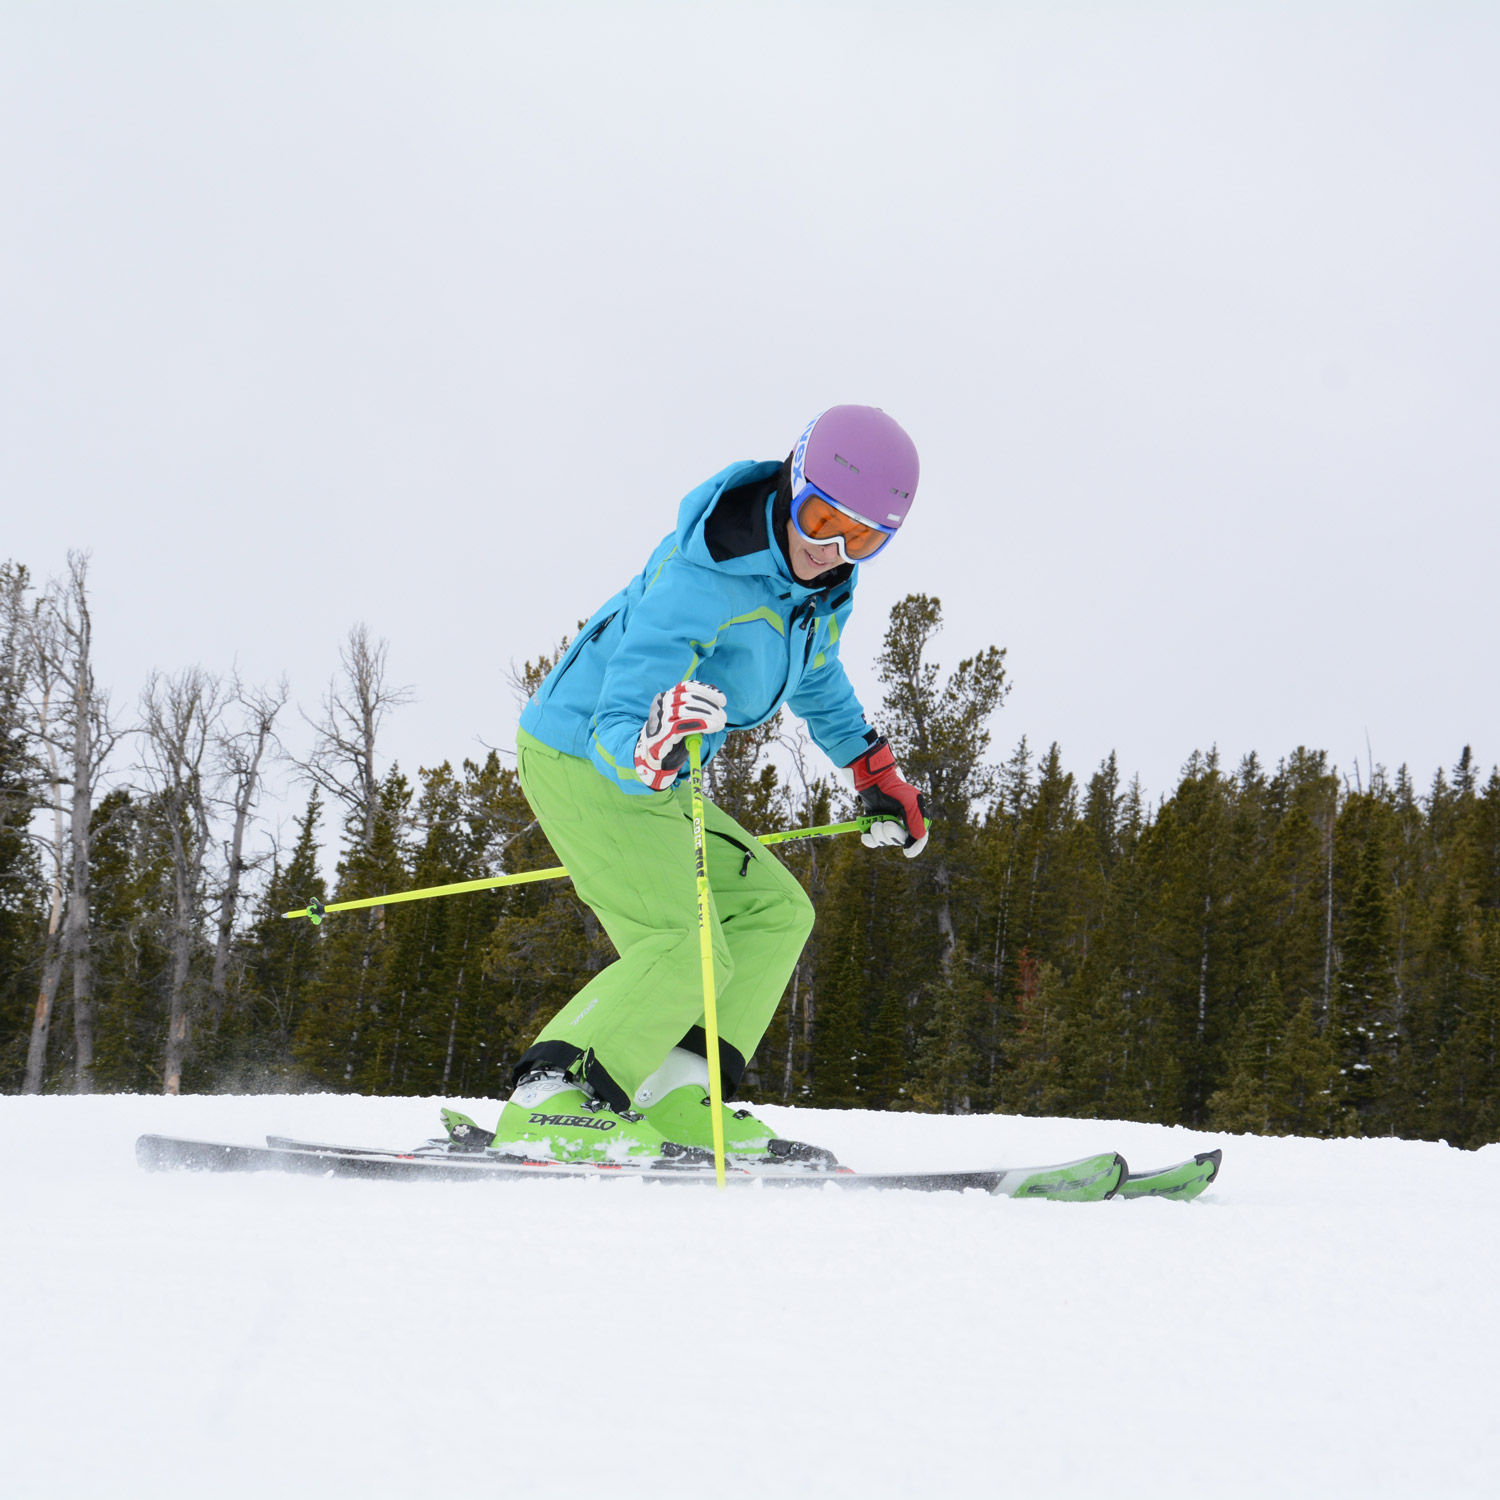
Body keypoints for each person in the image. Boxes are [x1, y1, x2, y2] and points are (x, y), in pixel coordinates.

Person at [474, 405, 928, 1165]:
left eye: (863, 539)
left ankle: (673, 1091)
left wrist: (871, 767)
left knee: (773, 912)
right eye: (821, 519)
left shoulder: (816, 590)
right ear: (791, 483)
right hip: (586, 755)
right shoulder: (704, 573)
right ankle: (552, 1096)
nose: (831, 549)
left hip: (653, 770)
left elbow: (813, 674)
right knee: (687, 942)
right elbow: (624, 702)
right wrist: (643, 751)